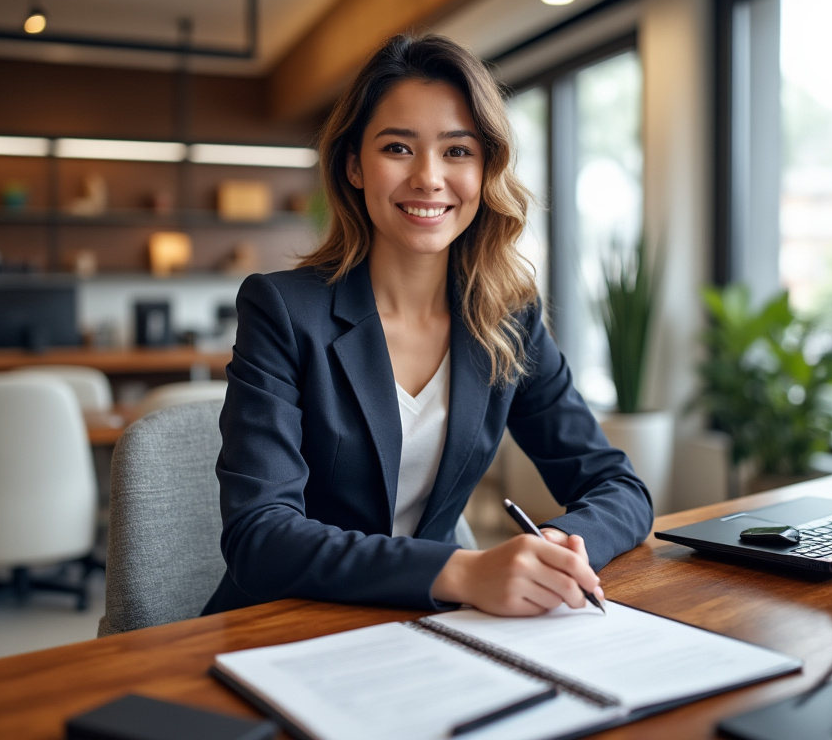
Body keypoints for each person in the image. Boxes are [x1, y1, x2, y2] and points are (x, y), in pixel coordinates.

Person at [202, 32, 653, 618]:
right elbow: (259, 538)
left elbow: (619, 489)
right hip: (286, 624)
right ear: (354, 166)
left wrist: (556, 547)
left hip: (430, 626)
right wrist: (460, 570)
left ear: (486, 169)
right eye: (397, 148)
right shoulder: (283, 311)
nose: (429, 178)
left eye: (458, 151)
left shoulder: (507, 317)